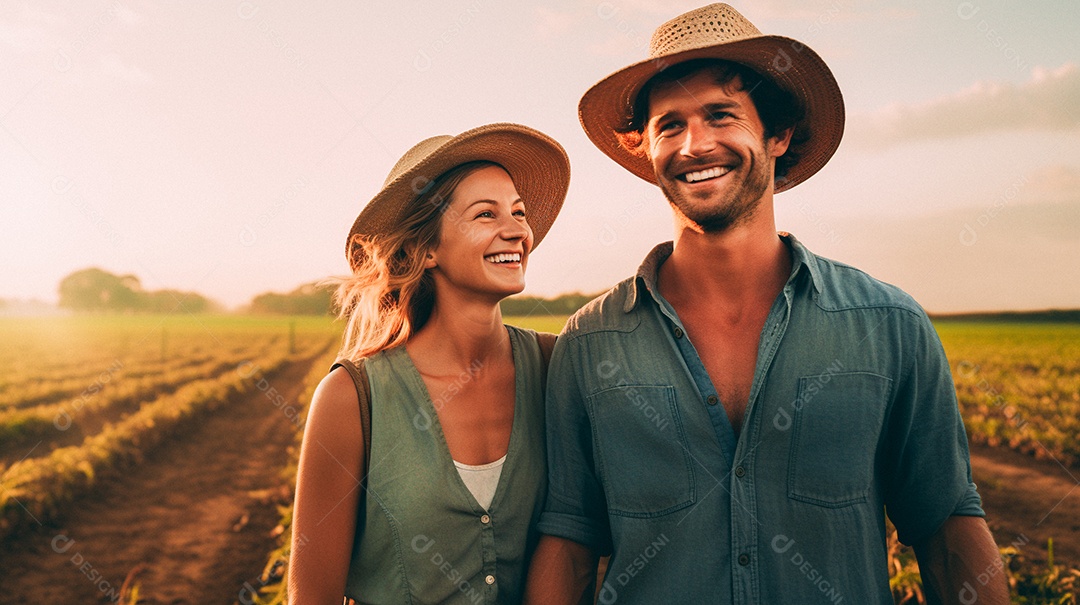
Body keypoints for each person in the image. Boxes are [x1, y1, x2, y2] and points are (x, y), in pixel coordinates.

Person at [525, 4, 1008, 604]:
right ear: (644, 150)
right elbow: (570, 539)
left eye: (720, 115)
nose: (695, 144)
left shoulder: (889, 326)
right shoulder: (591, 341)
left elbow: (946, 525)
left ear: (777, 134)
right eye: (668, 126)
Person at [289, 123, 570, 604]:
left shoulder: (555, 368)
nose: (517, 231)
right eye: (486, 214)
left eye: (518, 212)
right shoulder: (352, 399)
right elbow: (311, 595)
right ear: (426, 249)